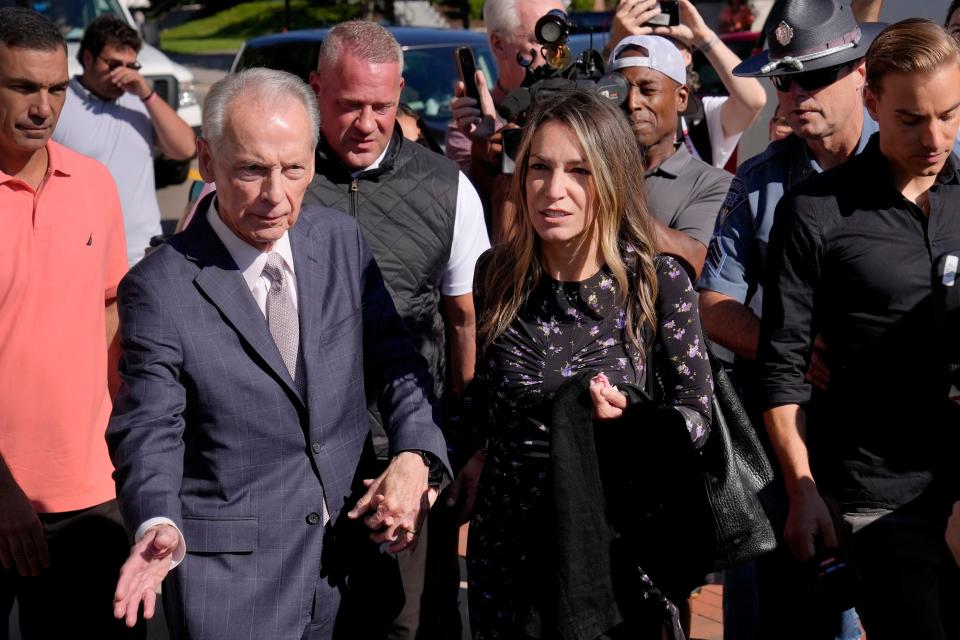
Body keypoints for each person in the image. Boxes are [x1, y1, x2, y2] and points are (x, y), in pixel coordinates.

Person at [106, 67, 451, 640]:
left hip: (353, 571)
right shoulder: (159, 286)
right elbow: (149, 425)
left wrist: (416, 452)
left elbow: (397, 360)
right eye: (252, 170)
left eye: (294, 169)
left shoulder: (340, 241)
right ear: (208, 159)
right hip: (238, 591)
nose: (276, 195)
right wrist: (156, 518)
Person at [463, 86, 713, 639]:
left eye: (579, 172)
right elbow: (482, 400)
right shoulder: (496, 276)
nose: (554, 190)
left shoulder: (656, 281)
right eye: (540, 168)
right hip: (508, 553)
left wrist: (635, 418)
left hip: (615, 555)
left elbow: (696, 412)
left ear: (612, 178)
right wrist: (430, 461)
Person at [758, 18, 960, 639]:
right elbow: (782, 368)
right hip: (877, 497)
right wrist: (802, 488)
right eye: (912, 119)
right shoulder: (816, 212)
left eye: (950, 115)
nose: (935, 137)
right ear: (871, 100)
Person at [697, 1, 882, 637]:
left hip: (889, 443)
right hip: (785, 435)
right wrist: (790, 352)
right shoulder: (759, 182)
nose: (797, 95)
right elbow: (714, 305)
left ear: (861, 72)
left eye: (816, 77)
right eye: (785, 80)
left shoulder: (919, 165)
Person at [301, 20, 488, 640]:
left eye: (381, 106)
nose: (366, 123)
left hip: (407, 463)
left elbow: (464, 320)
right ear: (315, 90)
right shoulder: (280, 183)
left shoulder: (448, 188)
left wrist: (461, 447)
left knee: (408, 628)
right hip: (297, 463)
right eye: (348, 105)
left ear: (400, 93)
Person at [0, 8, 135, 638]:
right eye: (23, 87)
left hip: (90, 494)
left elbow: (110, 310)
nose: (43, 107)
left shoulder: (95, 185)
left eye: (55, 89)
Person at [52, 15, 195, 267]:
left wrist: (147, 94)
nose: (124, 74)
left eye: (132, 66)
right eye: (114, 64)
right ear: (87, 58)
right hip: (82, 253)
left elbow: (186, 148)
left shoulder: (139, 102)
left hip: (142, 252)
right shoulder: (60, 104)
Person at [609, 34, 732, 279]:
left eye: (648, 90)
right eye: (620, 91)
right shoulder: (586, 169)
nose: (632, 103)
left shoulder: (712, 183)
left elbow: (693, 261)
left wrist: (605, 196)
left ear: (681, 98)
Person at [607, 0, 767, 169]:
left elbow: (753, 101)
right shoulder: (616, 109)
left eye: (667, 45)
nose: (634, 104)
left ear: (687, 57)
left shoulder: (702, 116)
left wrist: (703, 37)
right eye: (644, 45)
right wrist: (614, 46)